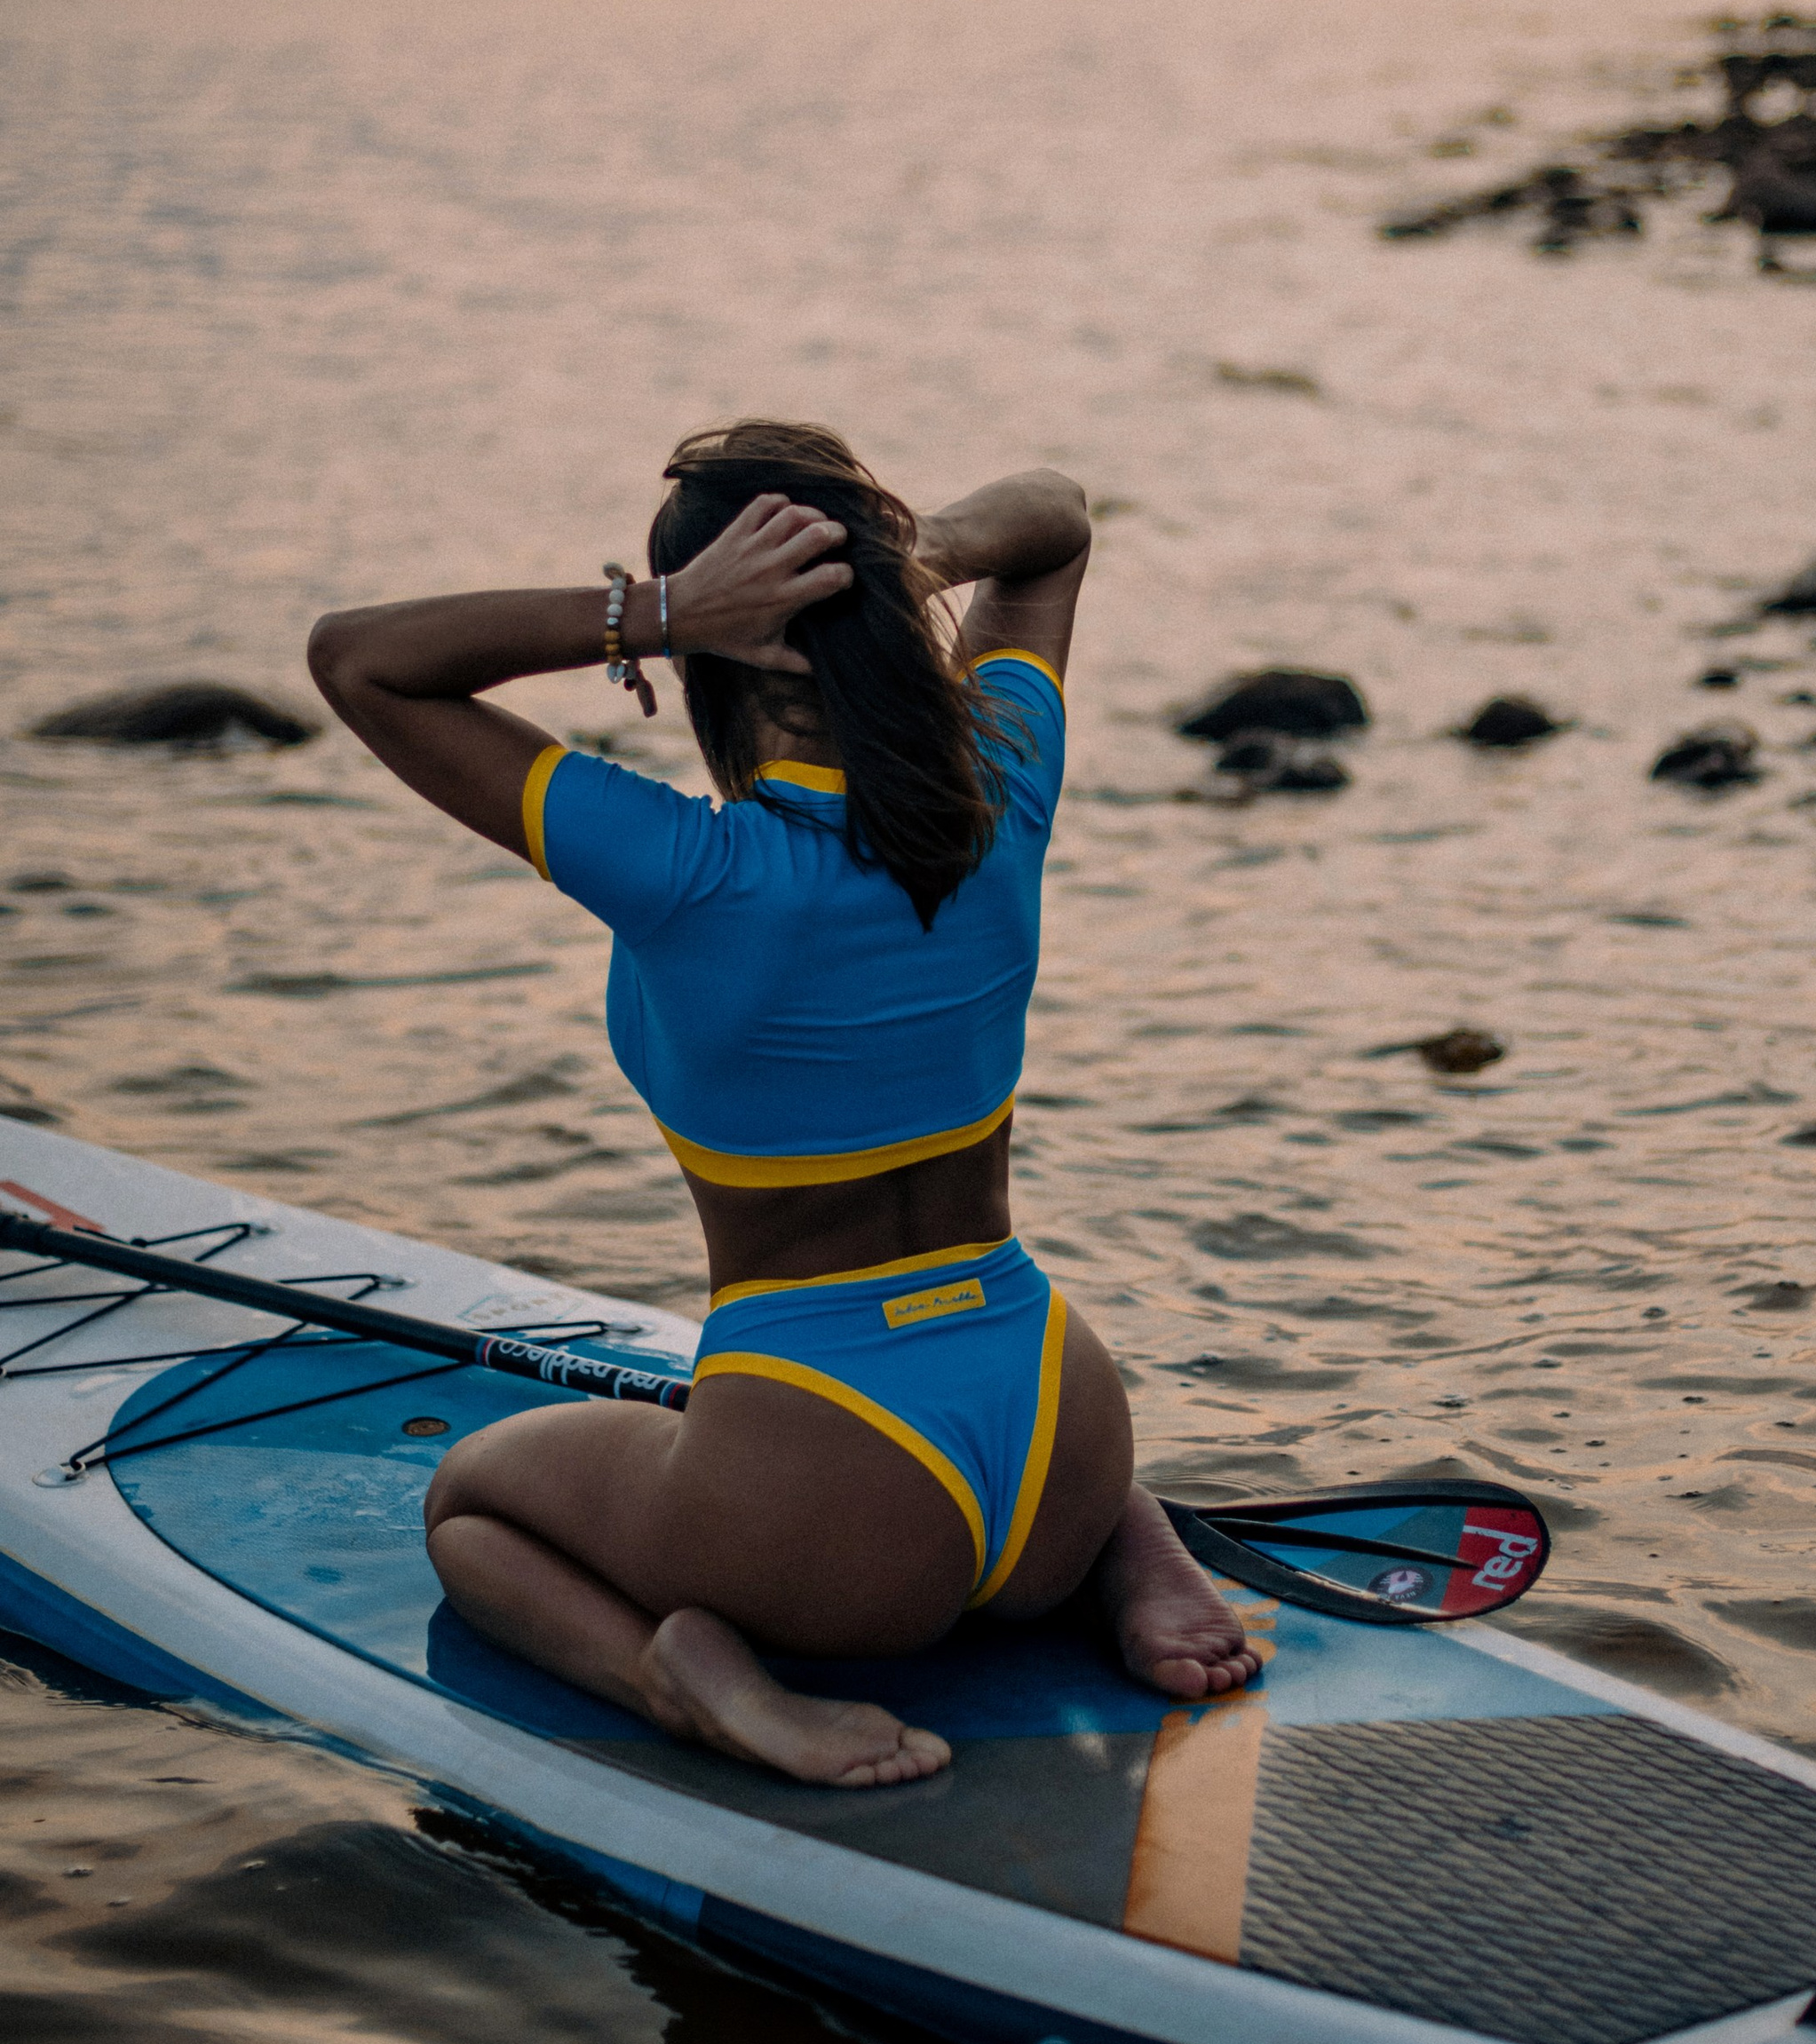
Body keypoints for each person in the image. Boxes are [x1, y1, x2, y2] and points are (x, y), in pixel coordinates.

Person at [306, 420, 1259, 1789]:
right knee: (989, 1406)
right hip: (1061, 1422)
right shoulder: (1001, 782)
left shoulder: (680, 864)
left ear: (719, 647)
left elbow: (358, 659)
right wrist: (882, 571)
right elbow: (1052, 515)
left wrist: (661, 614)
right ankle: (1129, 1551)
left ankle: (681, 1681)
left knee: (474, 1502)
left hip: (832, 1505)